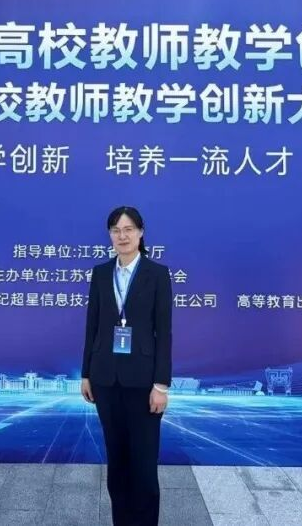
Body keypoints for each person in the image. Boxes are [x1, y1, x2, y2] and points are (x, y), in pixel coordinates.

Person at [81, 206, 172, 526]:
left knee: (144, 467)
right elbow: (92, 326)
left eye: (128, 229)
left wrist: (161, 384)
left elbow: (164, 332)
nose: (122, 236)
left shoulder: (157, 274)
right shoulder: (100, 273)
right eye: (116, 230)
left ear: (141, 233)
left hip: (144, 383)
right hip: (105, 379)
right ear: (110, 235)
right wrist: (86, 373)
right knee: (117, 464)